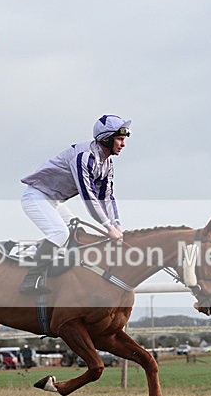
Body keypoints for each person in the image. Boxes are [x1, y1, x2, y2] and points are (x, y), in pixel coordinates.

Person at [18, 115, 131, 294]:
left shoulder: (107, 162)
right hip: (36, 197)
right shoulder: (84, 157)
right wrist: (108, 227)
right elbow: (89, 196)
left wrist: (117, 224)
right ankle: (31, 280)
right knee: (60, 232)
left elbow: (107, 196)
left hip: (55, 200)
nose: (123, 144)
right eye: (119, 139)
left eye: (123, 139)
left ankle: (39, 254)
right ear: (106, 139)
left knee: (76, 233)